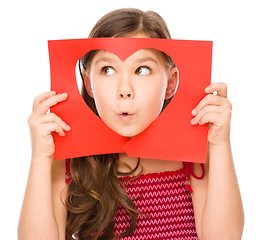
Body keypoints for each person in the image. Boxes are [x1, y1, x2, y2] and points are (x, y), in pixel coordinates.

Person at [18, 8, 244, 240]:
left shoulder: (191, 155)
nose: (124, 90)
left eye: (142, 70)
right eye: (108, 70)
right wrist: (40, 158)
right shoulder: (68, 160)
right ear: (88, 83)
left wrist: (219, 144)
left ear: (170, 82)